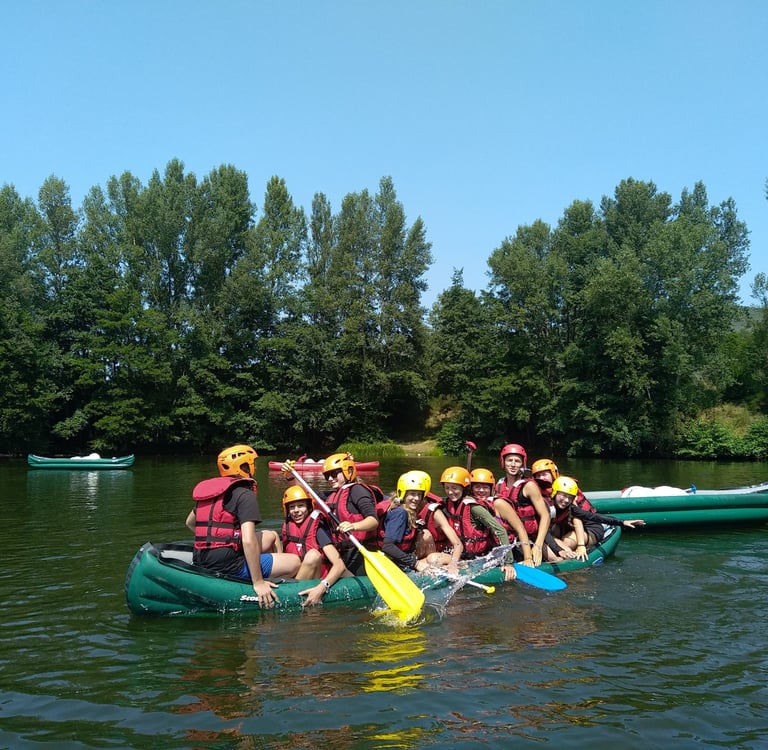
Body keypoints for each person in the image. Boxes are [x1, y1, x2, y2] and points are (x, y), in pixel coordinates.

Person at [186, 444, 300, 607]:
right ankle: (270, 583)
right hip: (228, 564)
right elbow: (248, 541)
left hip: (199, 558)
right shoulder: (245, 494)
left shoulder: (213, 492)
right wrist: (258, 582)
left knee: (272, 536)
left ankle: (270, 573)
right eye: (252, 463)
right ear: (244, 465)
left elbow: (190, 522)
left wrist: (219, 541)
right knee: (295, 562)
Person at [377, 470, 464, 573]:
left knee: (427, 542)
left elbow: (458, 544)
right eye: (412, 494)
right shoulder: (400, 513)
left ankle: (460, 565)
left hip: (411, 557)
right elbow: (387, 546)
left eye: (419, 494)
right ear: (403, 493)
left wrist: (453, 565)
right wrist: (416, 564)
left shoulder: (428, 511)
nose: (416, 498)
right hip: (398, 561)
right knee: (429, 550)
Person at [440, 466, 517, 581]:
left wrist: (508, 562)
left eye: (455, 488)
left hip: (479, 558)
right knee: (433, 558)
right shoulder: (448, 504)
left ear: (464, 488)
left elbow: (500, 530)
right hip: (462, 556)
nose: (450, 492)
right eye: (447, 488)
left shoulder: (473, 507)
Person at [280, 485, 352, 606]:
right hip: (296, 577)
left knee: (313, 555)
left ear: (309, 507)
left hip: (320, 578)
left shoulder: (318, 529)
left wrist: (322, 588)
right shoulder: (287, 527)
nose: (296, 510)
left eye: (301, 505)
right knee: (271, 536)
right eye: (292, 507)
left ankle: (290, 594)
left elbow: (339, 565)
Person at [309, 452, 380, 576]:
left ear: (348, 470)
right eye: (327, 476)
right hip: (343, 553)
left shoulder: (358, 491)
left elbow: (373, 520)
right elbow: (307, 495)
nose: (330, 479)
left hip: (361, 553)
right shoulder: (333, 494)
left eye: (334, 474)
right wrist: (291, 477)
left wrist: (353, 526)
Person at [544, 475, 646, 562]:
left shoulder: (571, 508)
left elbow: (594, 517)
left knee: (566, 543)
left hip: (591, 529)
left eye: (570, 497)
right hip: (559, 532)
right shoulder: (545, 506)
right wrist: (558, 550)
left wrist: (622, 522)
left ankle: (571, 561)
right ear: (554, 493)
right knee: (556, 539)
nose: (566, 500)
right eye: (563, 495)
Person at [494, 443, 551, 566]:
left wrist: (538, 546)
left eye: (517, 461)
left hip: (533, 537)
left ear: (522, 463)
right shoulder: (499, 486)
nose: (513, 464)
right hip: (511, 538)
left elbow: (545, 516)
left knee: (556, 558)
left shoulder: (529, 486)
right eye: (509, 460)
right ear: (503, 462)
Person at [468, 468, 535, 566]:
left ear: (491, 488)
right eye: (477, 487)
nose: (481, 490)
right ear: (471, 489)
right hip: (488, 552)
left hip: (512, 550)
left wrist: (528, 558)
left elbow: (521, 529)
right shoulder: (471, 505)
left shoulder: (499, 504)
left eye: (485, 487)